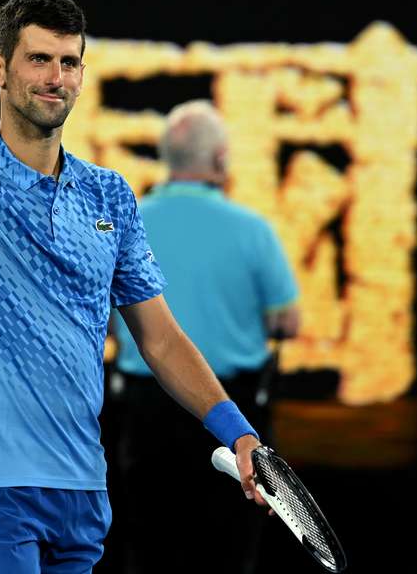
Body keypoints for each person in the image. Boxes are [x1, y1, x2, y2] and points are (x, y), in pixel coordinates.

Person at [0, 0, 268, 573]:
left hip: (80, 491)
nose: (56, 78)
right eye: (39, 59)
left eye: (69, 62)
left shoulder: (109, 195)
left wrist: (239, 434)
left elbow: (161, 339)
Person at [111, 99, 300, 573]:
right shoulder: (253, 230)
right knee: (230, 550)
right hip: (234, 411)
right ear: (220, 160)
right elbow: (288, 323)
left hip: (145, 408)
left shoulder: (126, 223)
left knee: (149, 547)